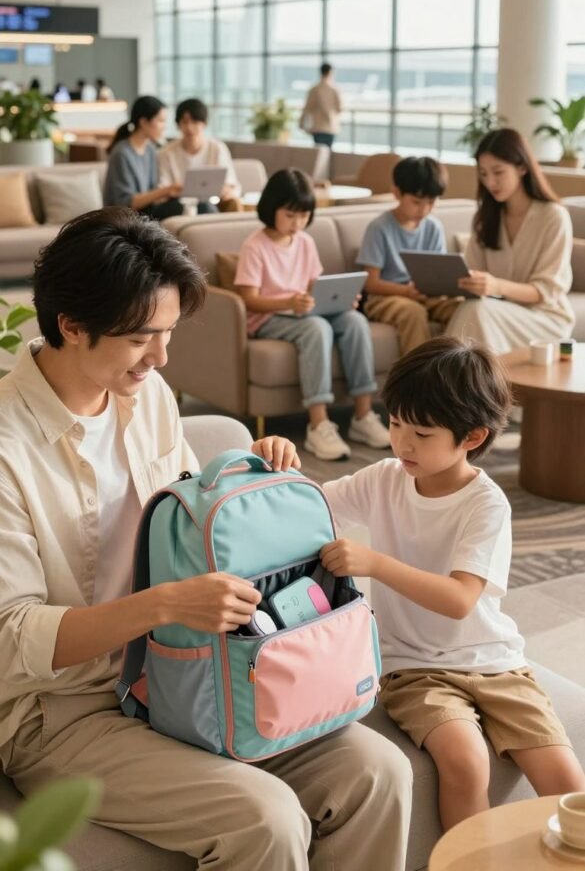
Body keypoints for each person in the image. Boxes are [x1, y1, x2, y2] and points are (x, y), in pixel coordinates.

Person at [0, 207, 412, 871]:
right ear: (71, 326)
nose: (162, 358)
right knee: (265, 821)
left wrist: (251, 477)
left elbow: (187, 522)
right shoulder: (6, 448)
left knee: (379, 774)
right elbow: (10, 636)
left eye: (166, 334)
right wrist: (163, 606)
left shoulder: (149, 396)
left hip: (189, 675)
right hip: (64, 710)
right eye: (141, 339)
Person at [320, 337, 585, 831]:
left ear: (471, 437)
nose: (402, 443)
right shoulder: (383, 478)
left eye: (420, 432)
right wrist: (274, 460)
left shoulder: (486, 505)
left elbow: (461, 599)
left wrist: (374, 562)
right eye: (396, 422)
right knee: (465, 762)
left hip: (495, 661)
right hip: (413, 668)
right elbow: (307, 502)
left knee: (568, 783)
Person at [234, 168, 390, 460]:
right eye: (291, 215)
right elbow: (249, 299)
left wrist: (340, 299)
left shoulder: (305, 242)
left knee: (355, 321)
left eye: (304, 216)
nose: (298, 223)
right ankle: (318, 424)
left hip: (304, 310)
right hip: (269, 318)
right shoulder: (255, 246)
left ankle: (363, 416)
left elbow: (314, 285)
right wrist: (289, 304)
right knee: (316, 328)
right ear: (271, 208)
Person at [445, 128, 574, 352]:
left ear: (522, 168)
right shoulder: (485, 218)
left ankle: (447, 383)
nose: (490, 182)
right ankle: (465, 384)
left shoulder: (553, 217)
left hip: (545, 318)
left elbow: (544, 291)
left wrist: (496, 286)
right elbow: (473, 273)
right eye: (483, 174)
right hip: (496, 311)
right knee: (474, 309)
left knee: (477, 312)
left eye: (498, 172)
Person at [358, 156, 462, 356]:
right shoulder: (379, 228)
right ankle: (418, 381)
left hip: (425, 294)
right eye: (416, 202)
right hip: (385, 298)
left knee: (462, 308)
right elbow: (370, 283)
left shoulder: (433, 227)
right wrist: (406, 292)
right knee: (412, 312)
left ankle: (460, 371)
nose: (424, 210)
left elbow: (437, 272)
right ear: (396, 192)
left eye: (431, 202)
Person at [104, 96, 186, 221]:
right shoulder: (122, 153)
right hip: (125, 218)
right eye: (160, 121)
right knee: (188, 208)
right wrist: (166, 191)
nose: (163, 127)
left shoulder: (150, 149)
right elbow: (127, 202)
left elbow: (152, 193)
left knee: (194, 205)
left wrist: (170, 193)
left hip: (145, 212)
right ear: (143, 122)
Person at [158, 97, 242, 211]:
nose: (189, 127)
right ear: (178, 124)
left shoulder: (217, 148)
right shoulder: (166, 152)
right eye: (185, 122)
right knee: (205, 207)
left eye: (195, 122)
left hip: (215, 201)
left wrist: (227, 191)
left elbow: (232, 184)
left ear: (204, 123)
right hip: (178, 204)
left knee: (230, 203)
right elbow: (163, 189)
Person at [299, 63, 343, 149]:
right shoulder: (335, 90)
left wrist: (301, 123)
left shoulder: (314, 89)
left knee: (319, 153)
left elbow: (307, 108)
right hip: (331, 127)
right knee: (328, 153)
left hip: (317, 127)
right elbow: (340, 108)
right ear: (331, 73)